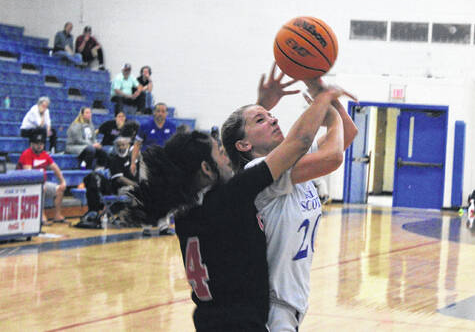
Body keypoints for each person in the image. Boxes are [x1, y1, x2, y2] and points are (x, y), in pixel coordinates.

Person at [123, 85, 348, 331]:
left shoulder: (186, 213)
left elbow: (239, 156)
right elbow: (298, 143)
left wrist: (261, 108)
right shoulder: (232, 196)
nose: (225, 156)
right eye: (219, 152)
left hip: (211, 319)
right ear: (207, 169)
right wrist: (324, 98)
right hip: (245, 322)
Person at [222, 65, 358, 331]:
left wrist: (320, 91)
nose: (274, 120)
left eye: (271, 116)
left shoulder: (293, 163)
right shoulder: (257, 174)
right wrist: (324, 100)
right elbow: (333, 156)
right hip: (269, 305)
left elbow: (347, 133)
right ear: (243, 145)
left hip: (289, 301)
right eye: (261, 120)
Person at [130, 102, 177, 235]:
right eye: (158, 111)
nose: (160, 113)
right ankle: (146, 225)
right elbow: (137, 144)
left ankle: (163, 225)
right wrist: (133, 162)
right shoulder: (145, 126)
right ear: (154, 112)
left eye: (163, 111)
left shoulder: (172, 127)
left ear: (166, 113)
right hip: (147, 162)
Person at [18, 132, 67, 223]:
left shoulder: (45, 155)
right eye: (37, 144)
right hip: (27, 185)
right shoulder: (26, 154)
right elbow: (28, 174)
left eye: (41, 144)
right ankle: (41, 215)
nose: (39, 146)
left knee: (59, 189)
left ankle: (57, 215)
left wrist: (62, 181)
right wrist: (39, 185)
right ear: (31, 144)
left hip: (42, 183)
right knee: (42, 188)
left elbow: (55, 167)